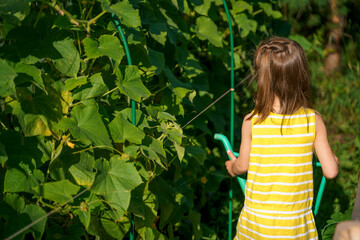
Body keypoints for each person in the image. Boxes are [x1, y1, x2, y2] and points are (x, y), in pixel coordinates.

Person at [225, 37, 340, 240]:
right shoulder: (312, 121)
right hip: (295, 229)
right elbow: (330, 171)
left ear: (262, 78)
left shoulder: (252, 121)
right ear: (301, 75)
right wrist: (335, 161)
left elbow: (242, 166)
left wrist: (232, 166)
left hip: (256, 226)